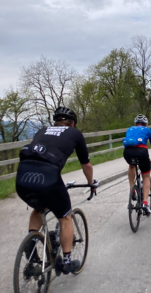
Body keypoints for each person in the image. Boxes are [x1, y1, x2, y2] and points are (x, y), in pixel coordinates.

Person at [16, 106, 97, 274]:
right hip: (48, 178)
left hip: (22, 179)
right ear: (72, 123)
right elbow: (87, 165)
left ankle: (31, 242)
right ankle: (67, 261)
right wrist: (91, 183)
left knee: (39, 208)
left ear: (56, 122)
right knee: (65, 217)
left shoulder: (42, 130)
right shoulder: (75, 133)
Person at [123, 114, 151, 216]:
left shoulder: (129, 129)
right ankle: (145, 203)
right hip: (141, 152)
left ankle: (132, 189)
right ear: (146, 124)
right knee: (146, 176)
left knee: (131, 166)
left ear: (135, 124)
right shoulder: (148, 130)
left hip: (127, 152)